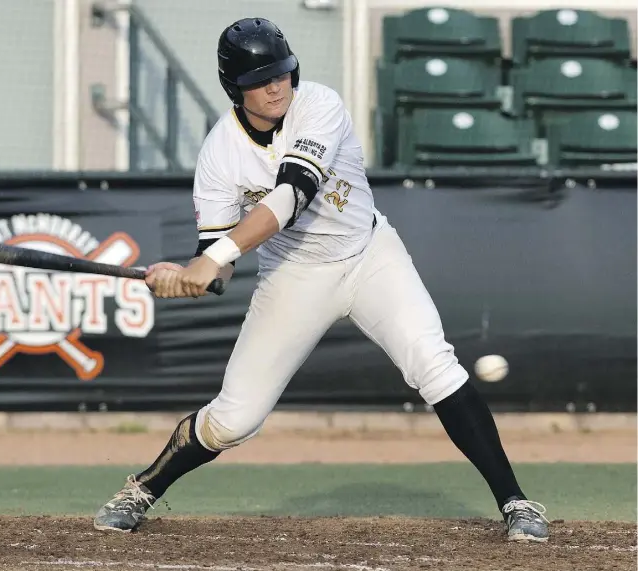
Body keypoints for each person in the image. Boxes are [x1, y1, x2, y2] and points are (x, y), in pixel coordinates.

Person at [92, 17, 549, 542]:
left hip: (370, 255)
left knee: (434, 364)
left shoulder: (320, 104)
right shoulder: (219, 153)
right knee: (235, 420)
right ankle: (142, 488)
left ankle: (516, 501)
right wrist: (190, 275)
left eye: (282, 72)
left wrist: (211, 257)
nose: (275, 85)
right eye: (259, 79)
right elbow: (218, 267)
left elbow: (289, 197)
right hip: (294, 276)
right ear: (233, 88)